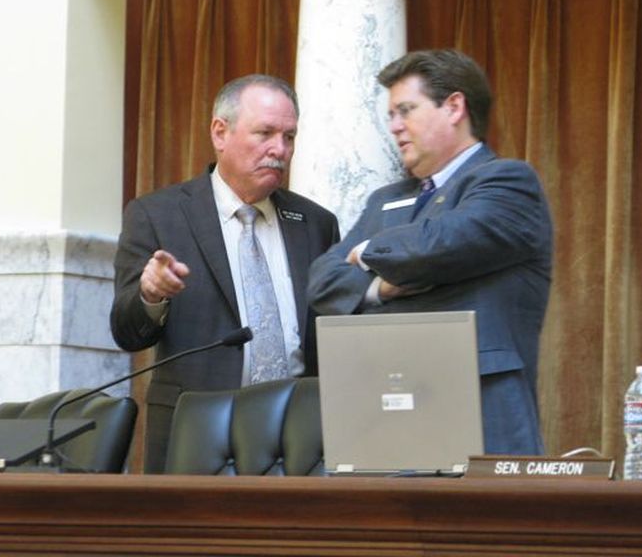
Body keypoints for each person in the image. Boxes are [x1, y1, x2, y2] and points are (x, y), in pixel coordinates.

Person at [307, 49, 552, 455]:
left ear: (454, 106)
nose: (395, 127)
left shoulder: (508, 181)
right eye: (391, 115)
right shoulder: (385, 200)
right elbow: (322, 279)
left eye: (406, 110)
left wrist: (369, 251)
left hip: (481, 412)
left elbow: (441, 245)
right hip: (381, 414)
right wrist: (380, 290)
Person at [111, 74, 339, 472]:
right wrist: (151, 295)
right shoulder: (158, 215)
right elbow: (129, 333)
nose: (279, 150)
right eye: (265, 133)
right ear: (220, 132)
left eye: (289, 136)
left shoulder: (315, 223)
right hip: (198, 436)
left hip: (300, 439)